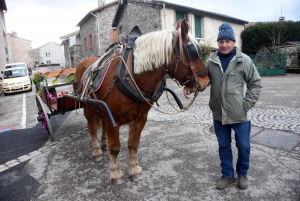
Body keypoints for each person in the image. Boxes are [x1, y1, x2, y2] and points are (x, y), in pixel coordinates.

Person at [184, 22, 262, 190]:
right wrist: (190, 87)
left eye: (228, 41)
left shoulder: (245, 61)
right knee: (224, 146)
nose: (224, 45)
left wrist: (246, 104)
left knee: (244, 146)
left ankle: (242, 174)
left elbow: (256, 84)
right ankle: (227, 175)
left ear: (234, 42)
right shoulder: (211, 62)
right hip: (219, 114)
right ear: (218, 43)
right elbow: (203, 82)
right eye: (221, 42)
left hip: (240, 115)